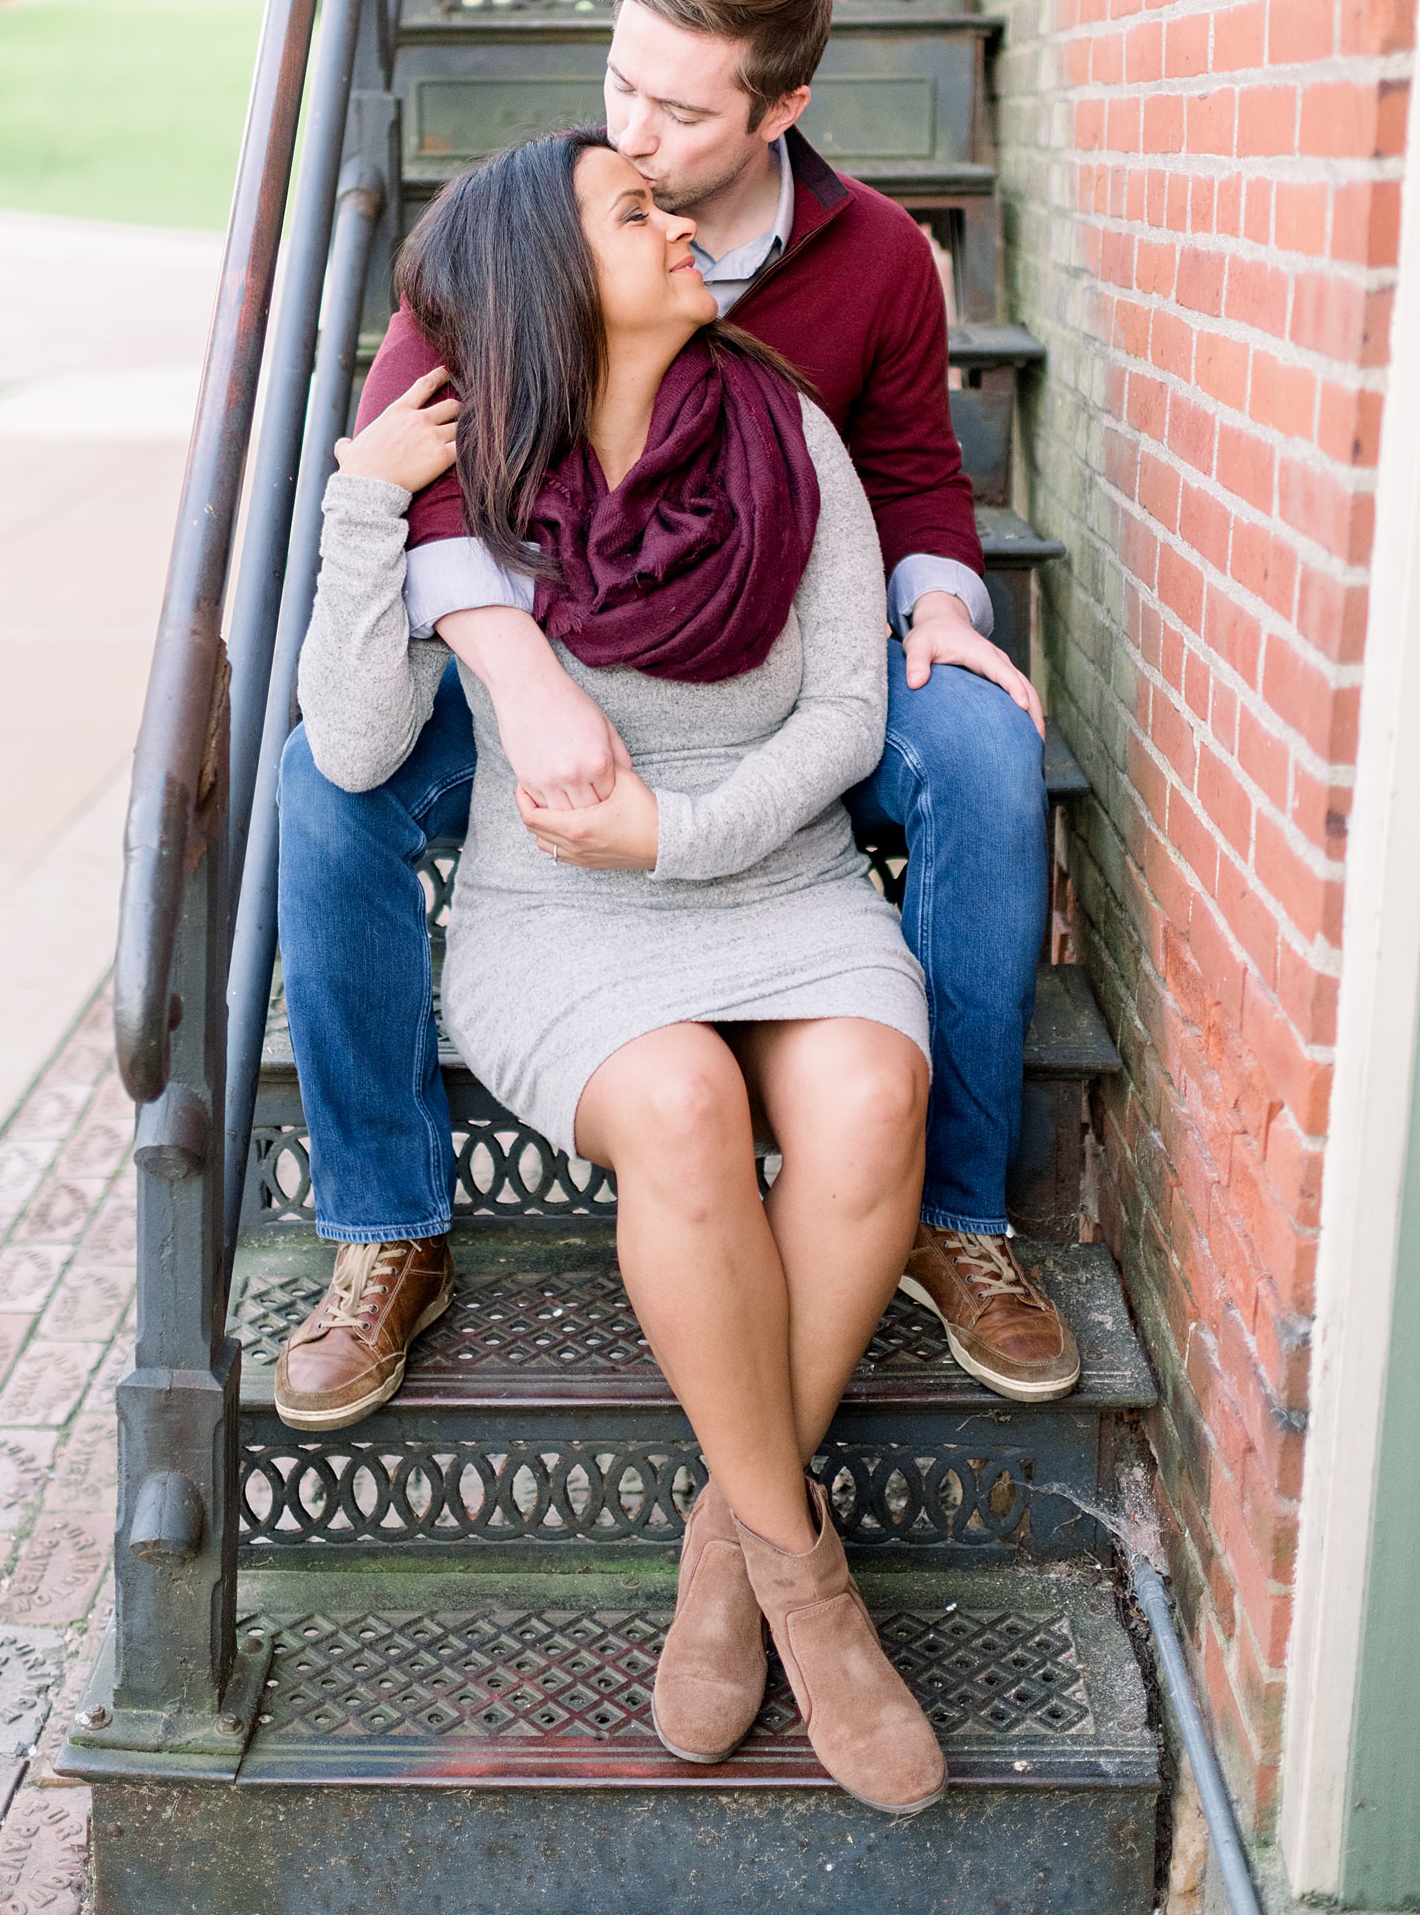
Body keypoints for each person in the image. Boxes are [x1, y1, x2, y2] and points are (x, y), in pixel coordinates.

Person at [275, 0, 1078, 1428]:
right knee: (328, 778)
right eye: (620, 80)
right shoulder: (535, 223)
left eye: (681, 106)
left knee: (978, 747)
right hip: (556, 661)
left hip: (781, 650)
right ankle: (386, 1226)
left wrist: (946, 603)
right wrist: (515, 666)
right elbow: (416, 460)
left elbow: (910, 468)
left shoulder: (881, 261)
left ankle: (955, 1218)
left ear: (783, 109)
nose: (631, 129)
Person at [291, 125, 947, 1812]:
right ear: (546, 278)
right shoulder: (476, 471)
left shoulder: (788, 429)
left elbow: (850, 717)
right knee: (676, 1098)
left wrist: (681, 837)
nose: (673, 224)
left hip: (770, 870)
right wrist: (363, 500)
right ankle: (814, 1587)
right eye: (630, 212)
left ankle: (734, 1538)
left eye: (659, 198)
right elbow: (356, 752)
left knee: (876, 1093)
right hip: (558, 915)